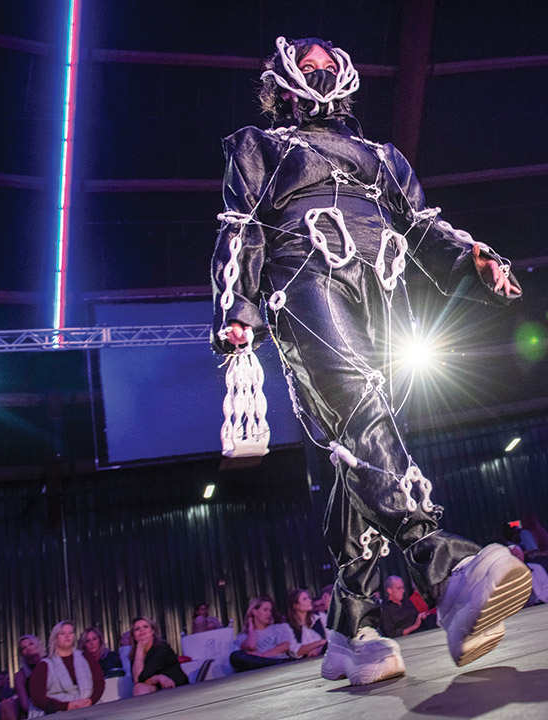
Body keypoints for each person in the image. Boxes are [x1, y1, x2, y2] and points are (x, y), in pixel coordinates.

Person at [209, 35, 531, 684]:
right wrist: (236, 311)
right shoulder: (260, 145)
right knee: (358, 408)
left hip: (383, 291)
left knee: (354, 460)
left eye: (330, 60)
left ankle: (351, 628)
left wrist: (473, 258)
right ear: (285, 79)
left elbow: (422, 228)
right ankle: (444, 564)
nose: (321, 65)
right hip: (301, 277)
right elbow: (239, 227)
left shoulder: (383, 158)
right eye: (309, 61)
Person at [29, 620, 104, 713]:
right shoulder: (44, 665)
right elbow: (37, 697)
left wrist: (91, 700)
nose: (67, 636)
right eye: (62, 633)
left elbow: (99, 682)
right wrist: (66, 706)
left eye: (70, 633)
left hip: (88, 705)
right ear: (55, 637)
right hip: (59, 711)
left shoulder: (85, 657)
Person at [128, 617, 188, 695]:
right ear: (134, 635)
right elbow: (136, 680)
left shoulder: (162, 647)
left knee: (139, 688)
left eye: (145, 627)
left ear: (152, 631)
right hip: (157, 687)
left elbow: (142, 677)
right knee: (139, 688)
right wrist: (139, 651)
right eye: (137, 629)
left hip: (174, 684)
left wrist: (155, 678)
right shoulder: (135, 654)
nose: (141, 630)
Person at [230, 597, 292, 671]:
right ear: (255, 612)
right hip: (259, 668)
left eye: (270, 611)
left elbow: (285, 646)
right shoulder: (243, 636)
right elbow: (251, 646)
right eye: (265, 610)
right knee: (235, 656)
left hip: (279, 662)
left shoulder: (279, 628)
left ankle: (269, 664)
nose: (268, 613)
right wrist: (251, 628)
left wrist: (262, 655)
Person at [279, 589, 329, 658]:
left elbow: (331, 640)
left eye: (308, 598)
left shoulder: (320, 617)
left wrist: (318, 650)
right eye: (305, 599)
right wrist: (320, 642)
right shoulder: (287, 627)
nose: (310, 601)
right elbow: (296, 652)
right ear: (296, 605)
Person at [10, 634, 45, 718]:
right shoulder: (19, 675)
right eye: (23, 648)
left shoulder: (51, 663)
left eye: (31, 644)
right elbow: (25, 704)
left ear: (37, 645)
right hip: (35, 710)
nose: (28, 648)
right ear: (21, 653)